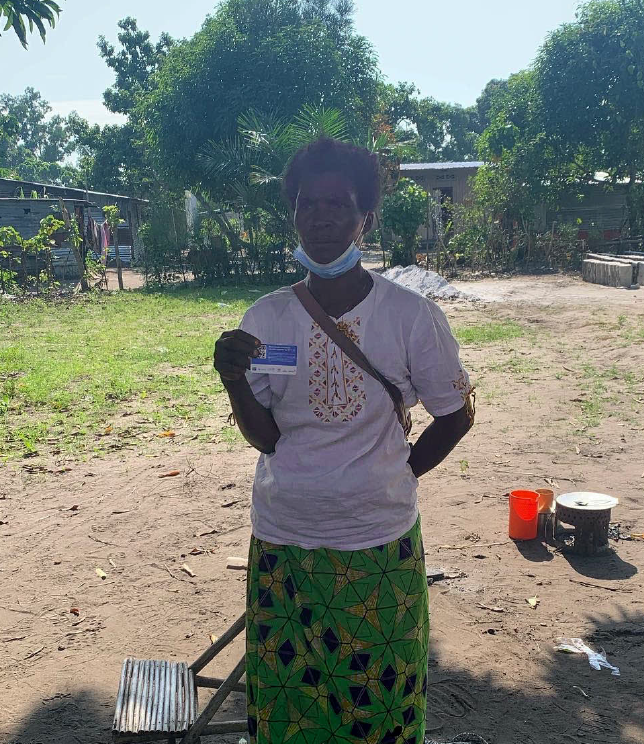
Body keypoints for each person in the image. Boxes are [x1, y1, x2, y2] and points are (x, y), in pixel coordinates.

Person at [213, 137, 474, 744]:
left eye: (338, 203)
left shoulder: (410, 316)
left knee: (379, 706)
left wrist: (398, 473)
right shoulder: (267, 318)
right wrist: (234, 381)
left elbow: (455, 414)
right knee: (289, 709)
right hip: (285, 543)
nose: (322, 216)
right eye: (308, 203)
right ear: (294, 214)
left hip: (377, 543)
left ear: (366, 217)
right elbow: (266, 439)